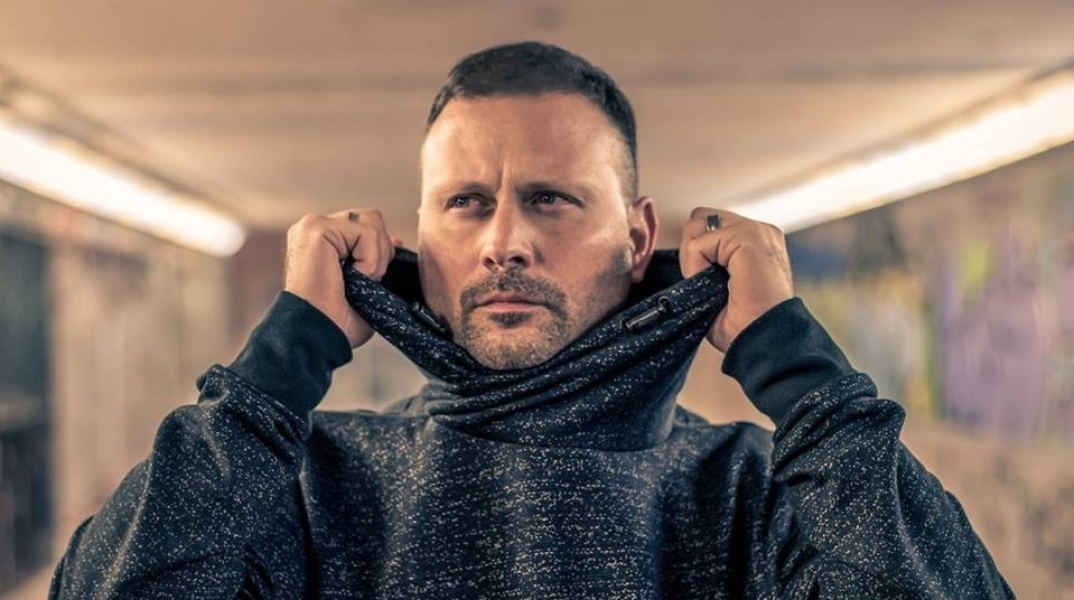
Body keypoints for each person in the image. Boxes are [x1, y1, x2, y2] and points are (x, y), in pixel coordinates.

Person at [49, 41, 1012, 599]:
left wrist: (801, 376)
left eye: (551, 199)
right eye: (466, 203)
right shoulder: (311, 483)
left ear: (639, 237)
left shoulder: (753, 493)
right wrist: (276, 371)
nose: (504, 242)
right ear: (420, 236)